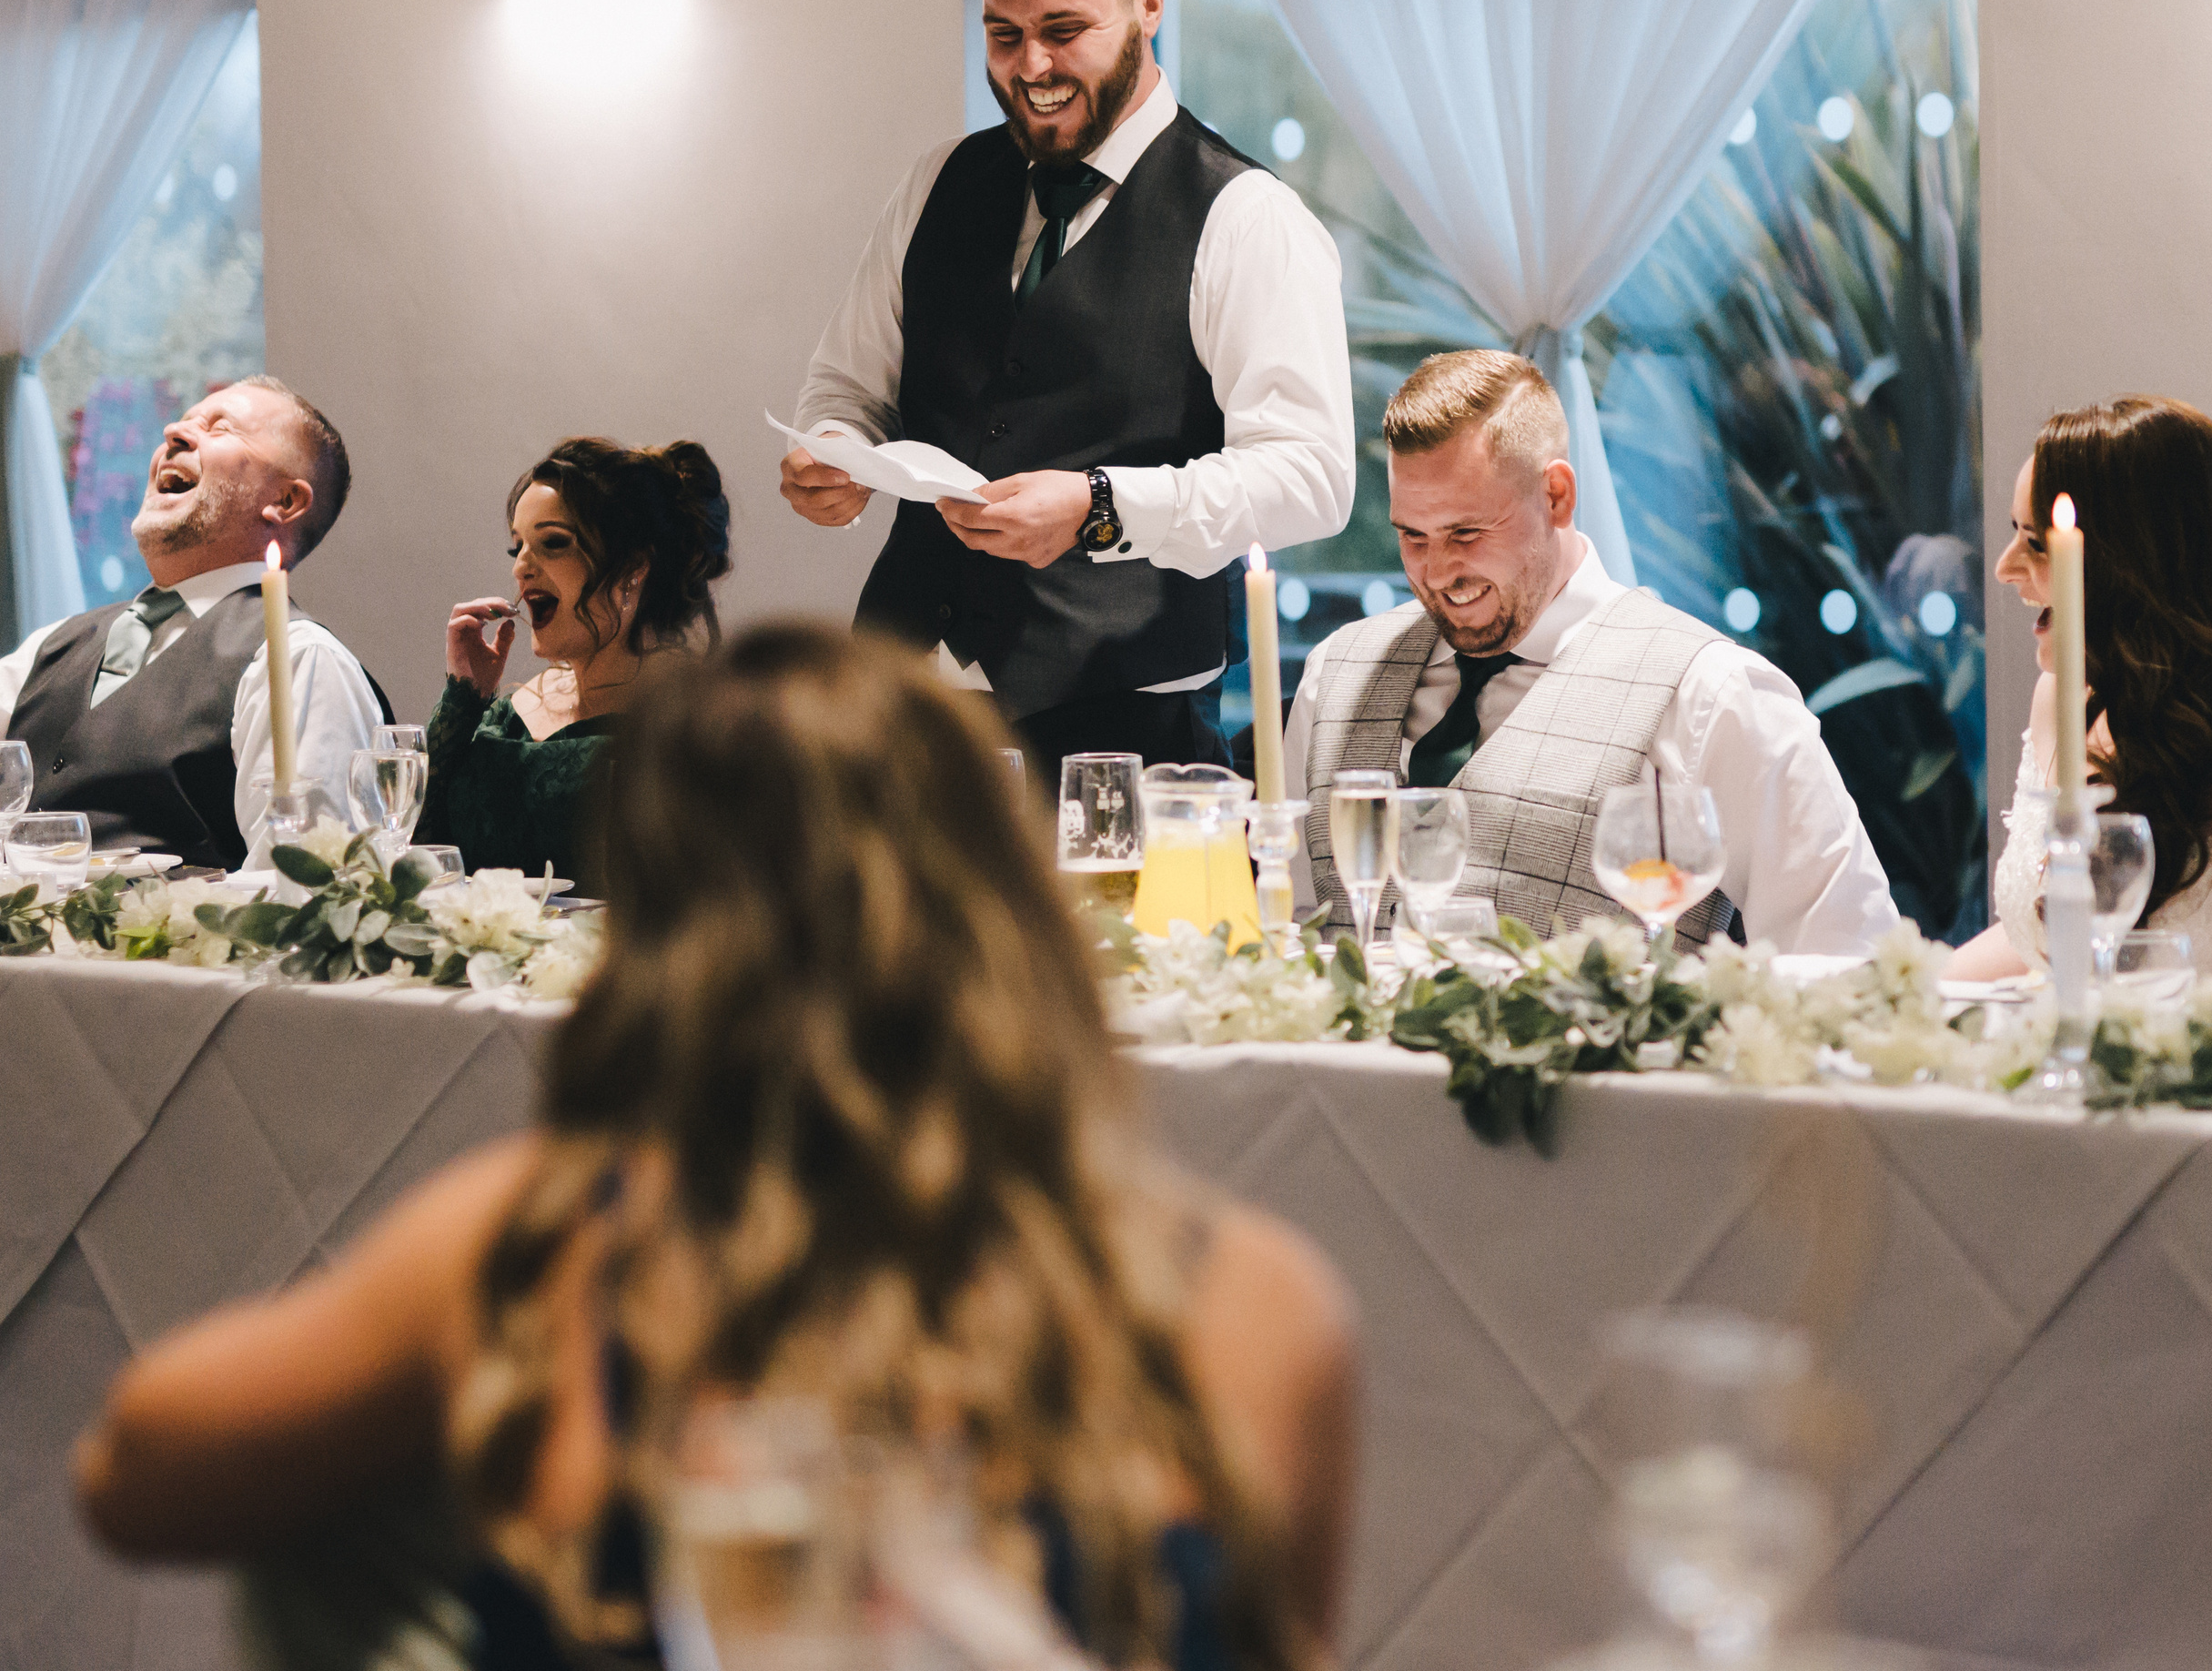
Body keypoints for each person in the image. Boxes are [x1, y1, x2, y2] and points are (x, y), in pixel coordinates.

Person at [76, 623, 1357, 1671]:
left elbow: (133, 1476)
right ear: (1013, 901)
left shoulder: (541, 1252)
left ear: (659, 928)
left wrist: (413, 1481)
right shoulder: (1254, 1304)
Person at [784, 0, 1354, 777]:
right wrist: (833, 448)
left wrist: (1100, 507)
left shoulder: (1248, 218)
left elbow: (1310, 476)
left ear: (1149, 5)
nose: (1032, 67)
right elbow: (846, 387)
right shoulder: (938, 182)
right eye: (1003, 34)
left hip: (1122, 728)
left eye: (1063, 31)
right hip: (902, 705)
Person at [1286, 349, 1898, 954]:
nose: (1439, 571)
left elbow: (1843, 950)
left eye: (1466, 532)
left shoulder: (1711, 692)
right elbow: (1289, 932)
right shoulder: (1333, 675)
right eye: (1412, 536)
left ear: (1555, 496)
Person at [1950, 397, 2212, 995]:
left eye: (2037, 542)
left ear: (2131, 562)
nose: (2003, 568)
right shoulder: (2061, 701)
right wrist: (1895, 991)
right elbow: (2052, 941)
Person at [0, 376, 386, 871]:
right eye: (184, 420)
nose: (174, 432)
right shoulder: (48, 647)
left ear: (285, 502)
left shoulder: (298, 659)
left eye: (220, 428)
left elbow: (307, 894)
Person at [421, 437, 730, 894]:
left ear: (632, 568)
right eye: (517, 547)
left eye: (552, 543)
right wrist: (464, 696)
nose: (520, 568)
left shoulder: (695, 723)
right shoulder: (506, 716)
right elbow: (418, 853)